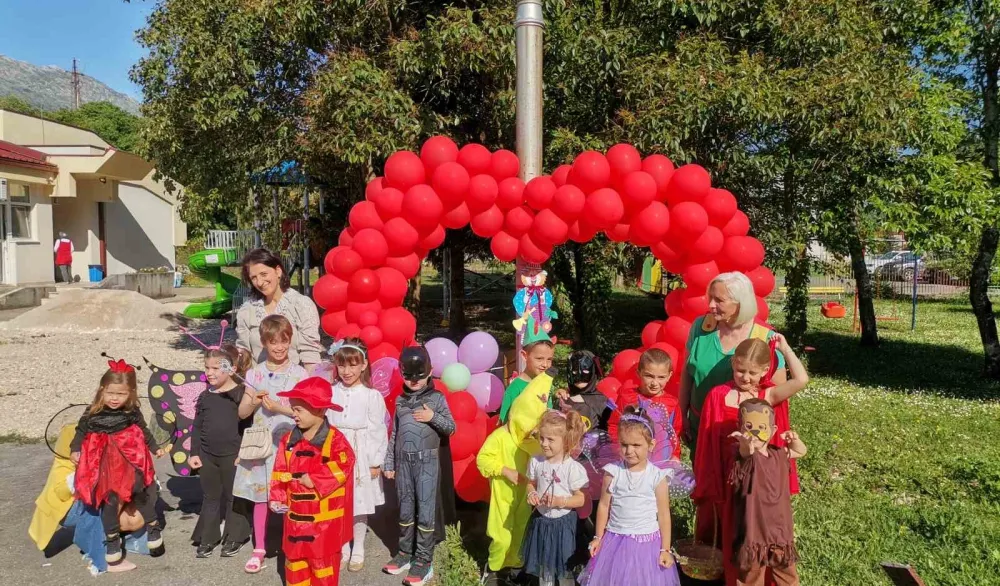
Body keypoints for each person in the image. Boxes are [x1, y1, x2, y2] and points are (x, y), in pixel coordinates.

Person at [693, 336, 808, 584]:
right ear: (733, 363)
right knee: (734, 531)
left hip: (758, 481)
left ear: (765, 370)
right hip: (727, 477)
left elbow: (801, 380)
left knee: (759, 531)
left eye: (752, 373)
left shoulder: (769, 395)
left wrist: (786, 349)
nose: (745, 377)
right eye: (740, 370)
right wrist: (707, 482)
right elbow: (707, 443)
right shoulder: (719, 395)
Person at [69, 356, 164, 568]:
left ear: (129, 394)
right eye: (110, 393)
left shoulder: (131, 411)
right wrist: (75, 449)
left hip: (130, 462)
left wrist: (155, 447)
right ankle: (111, 539)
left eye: (120, 394)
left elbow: (144, 431)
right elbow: (81, 432)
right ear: (102, 389)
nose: (114, 398)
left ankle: (153, 527)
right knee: (110, 500)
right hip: (104, 465)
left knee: (140, 493)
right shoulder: (92, 411)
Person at [31, 422, 162, 574]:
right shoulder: (65, 463)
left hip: (82, 503)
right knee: (104, 500)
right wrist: (89, 473)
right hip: (68, 509)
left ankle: (127, 540)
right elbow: (62, 491)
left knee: (130, 507)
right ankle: (103, 556)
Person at [233, 315, 308, 573]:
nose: (279, 347)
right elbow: (242, 413)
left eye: (283, 341)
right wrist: (254, 401)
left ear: (290, 341)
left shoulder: (300, 374)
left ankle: (293, 545)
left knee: (291, 496)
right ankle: (259, 549)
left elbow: (306, 415)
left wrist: (280, 408)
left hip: (289, 446)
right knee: (261, 498)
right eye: (273, 342)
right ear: (264, 343)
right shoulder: (254, 374)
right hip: (262, 447)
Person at [680, 271, 787, 455]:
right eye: (710, 298)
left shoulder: (765, 337)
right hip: (702, 428)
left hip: (746, 436)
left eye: (719, 300)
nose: (711, 305)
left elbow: (778, 392)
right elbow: (687, 374)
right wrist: (682, 415)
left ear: (740, 303)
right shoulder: (700, 327)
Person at [579, 406, 681, 586]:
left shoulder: (657, 477)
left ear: (651, 445)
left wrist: (665, 548)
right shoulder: (612, 472)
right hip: (615, 540)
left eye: (636, 445)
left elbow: (664, 514)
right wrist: (597, 537)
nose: (629, 450)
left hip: (646, 544)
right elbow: (603, 506)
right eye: (624, 444)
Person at [270, 377, 356, 586]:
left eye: (299, 410)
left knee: (323, 571)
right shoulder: (288, 440)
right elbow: (279, 471)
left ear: (319, 411)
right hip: (295, 523)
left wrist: (317, 479)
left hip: (324, 526)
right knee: (295, 567)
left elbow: (345, 464)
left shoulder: (335, 440)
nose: (294, 414)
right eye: (293, 409)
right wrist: (277, 497)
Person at [382, 346, 457, 586]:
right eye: (408, 376)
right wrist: (390, 461)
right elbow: (394, 434)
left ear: (430, 371)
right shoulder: (401, 401)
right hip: (404, 464)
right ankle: (405, 552)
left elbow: (451, 428)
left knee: (425, 513)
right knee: (405, 510)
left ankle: (424, 559)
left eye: (419, 375)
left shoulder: (437, 398)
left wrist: (432, 417)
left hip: (428, 463)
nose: (414, 381)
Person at [477, 371, 552, 583]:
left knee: (521, 531)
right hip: (503, 495)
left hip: (526, 495)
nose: (531, 435)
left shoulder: (533, 440)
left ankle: (513, 568)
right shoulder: (500, 437)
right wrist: (505, 470)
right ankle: (494, 568)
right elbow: (483, 460)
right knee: (501, 535)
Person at [325, 338, 388, 572]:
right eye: (342, 366)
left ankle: (358, 546)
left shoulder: (372, 396)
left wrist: (375, 462)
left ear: (363, 365)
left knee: (359, 502)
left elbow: (378, 429)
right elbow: (325, 425)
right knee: (339, 502)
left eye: (353, 365)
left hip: (361, 454)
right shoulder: (331, 393)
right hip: (336, 453)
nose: (347, 371)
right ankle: (343, 546)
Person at [728, 399, 806, 586]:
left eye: (762, 426)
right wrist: (745, 443)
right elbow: (746, 451)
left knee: (787, 576)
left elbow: (801, 451)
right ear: (740, 426)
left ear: (773, 430)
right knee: (751, 578)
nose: (754, 432)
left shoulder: (779, 454)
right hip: (755, 530)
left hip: (779, 529)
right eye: (748, 426)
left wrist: (795, 440)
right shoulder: (745, 456)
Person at [189, 344, 253, 558]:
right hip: (208, 455)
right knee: (211, 496)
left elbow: (247, 427)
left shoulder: (241, 394)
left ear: (232, 367)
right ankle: (208, 537)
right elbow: (197, 426)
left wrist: (242, 453)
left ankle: (236, 535)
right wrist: (194, 453)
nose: (209, 373)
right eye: (207, 367)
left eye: (216, 368)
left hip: (233, 455)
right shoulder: (205, 396)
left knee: (234, 496)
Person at [521, 410, 589, 586]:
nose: (544, 444)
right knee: (546, 569)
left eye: (550, 440)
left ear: (565, 441)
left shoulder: (571, 468)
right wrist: (531, 493)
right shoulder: (536, 461)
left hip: (564, 525)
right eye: (542, 438)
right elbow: (531, 482)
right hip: (541, 522)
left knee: (565, 568)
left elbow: (580, 499)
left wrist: (560, 501)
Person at [236, 248, 323, 371]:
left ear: (278, 271)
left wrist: (309, 386)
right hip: (259, 385)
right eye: (254, 278)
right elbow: (244, 352)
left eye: (264, 274)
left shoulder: (301, 305)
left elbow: (311, 355)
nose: (260, 282)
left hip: (294, 383)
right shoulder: (246, 310)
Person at [607, 348, 683, 458]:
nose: (654, 383)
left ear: (669, 376)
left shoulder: (672, 403)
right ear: (639, 373)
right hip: (630, 458)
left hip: (659, 460)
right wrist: (619, 449)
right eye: (649, 376)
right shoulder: (626, 398)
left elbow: (675, 434)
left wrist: (674, 455)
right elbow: (614, 425)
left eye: (661, 377)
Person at [498, 323, 555, 424]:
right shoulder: (515, 388)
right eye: (539, 359)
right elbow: (503, 424)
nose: (545, 364)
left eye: (549, 359)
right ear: (524, 356)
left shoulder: (546, 384)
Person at [554, 350, 612, 432]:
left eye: (585, 370)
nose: (579, 375)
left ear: (593, 371)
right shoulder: (564, 399)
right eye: (574, 371)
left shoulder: (602, 401)